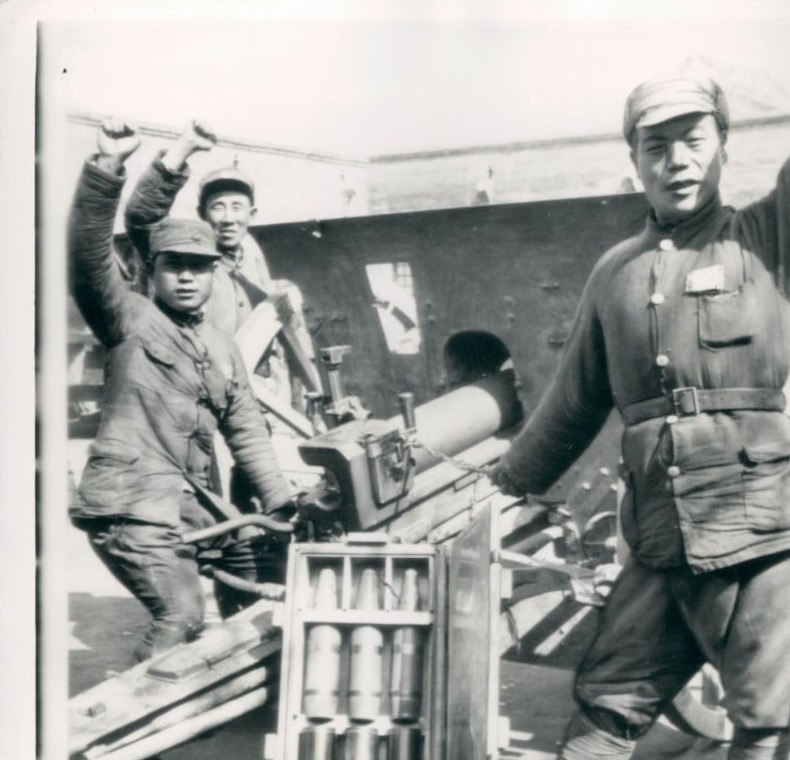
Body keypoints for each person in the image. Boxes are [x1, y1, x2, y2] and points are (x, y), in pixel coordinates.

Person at [489, 73, 790, 760]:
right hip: (660, 540)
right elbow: (573, 401)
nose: (677, 161)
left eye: (694, 141)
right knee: (604, 707)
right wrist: (505, 485)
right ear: (634, 160)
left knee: (768, 722)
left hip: (762, 541)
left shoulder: (767, 236)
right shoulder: (616, 272)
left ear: (724, 148)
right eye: (656, 146)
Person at [68, 118, 296, 663]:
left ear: (215, 273)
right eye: (175, 267)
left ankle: (238, 677)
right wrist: (108, 165)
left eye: (200, 267)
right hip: (129, 504)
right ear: (153, 269)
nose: (188, 278)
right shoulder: (128, 318)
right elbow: (86, 253)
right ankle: (138, 711)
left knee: (252, 568)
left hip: (188, 502)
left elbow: (247, 430)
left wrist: (281, 499)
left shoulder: (222, 346)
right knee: (181, 614)